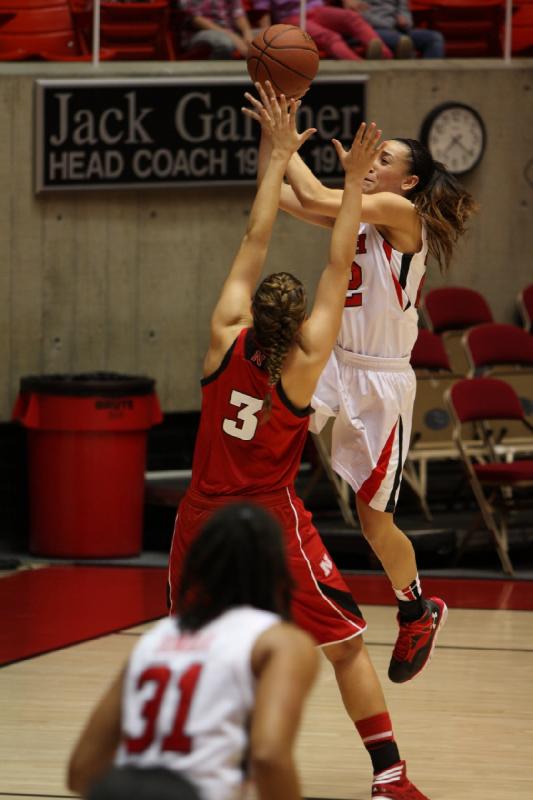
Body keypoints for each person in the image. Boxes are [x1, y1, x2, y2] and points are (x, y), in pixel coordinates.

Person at [169, 84, 433, 799]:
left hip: (202, 512)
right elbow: (326, 240)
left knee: (193, 645)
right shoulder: (306, 362)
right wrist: (332, 177)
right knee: (344, 646)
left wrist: (278, 149)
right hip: (270, 508)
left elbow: (259, 234)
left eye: (386, 161)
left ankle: (190, 758)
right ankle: (390, 774)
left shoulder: (222, 342)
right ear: (298, 336)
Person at [250, 90, 478, 687]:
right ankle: (260, 559)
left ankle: (416, 609)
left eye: (383, 160)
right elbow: (292, 197)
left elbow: (321, 195)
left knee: (373, 522)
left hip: (381, 382)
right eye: (371, 158)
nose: (370, 163)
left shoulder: (405, 219)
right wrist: (275, 150)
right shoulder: (362, 211)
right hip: (332, 363)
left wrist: (286, 136)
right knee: (268, 439)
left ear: (407, 184)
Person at [67, 503, 319, 800]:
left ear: (199, 563)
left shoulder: (157, 637)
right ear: (277, 565)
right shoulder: (279, 641)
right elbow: (268, 756)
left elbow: (81, 770)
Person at [249, 0, 393, 60]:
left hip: (317, 10)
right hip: (291, 18)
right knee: (329, 37)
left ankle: (385, 56)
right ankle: (360, 66)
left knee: (351, 17)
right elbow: (263, 12)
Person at [362, 0, 445, 58]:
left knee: (434, 38)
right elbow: (360, 15)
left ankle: (429, 79)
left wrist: (405, 21)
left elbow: (404, 11)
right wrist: (391, 24)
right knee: (401, 40)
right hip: (370, 29)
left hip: (397, 29)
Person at [177, 0, 255, 59]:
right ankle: (221, 76)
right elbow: (195, 19)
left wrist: (247, 33)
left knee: (266, 37)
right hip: (200, 32)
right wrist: (230, 35)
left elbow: (238, 12)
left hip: (232, 31)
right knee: (224, 43)